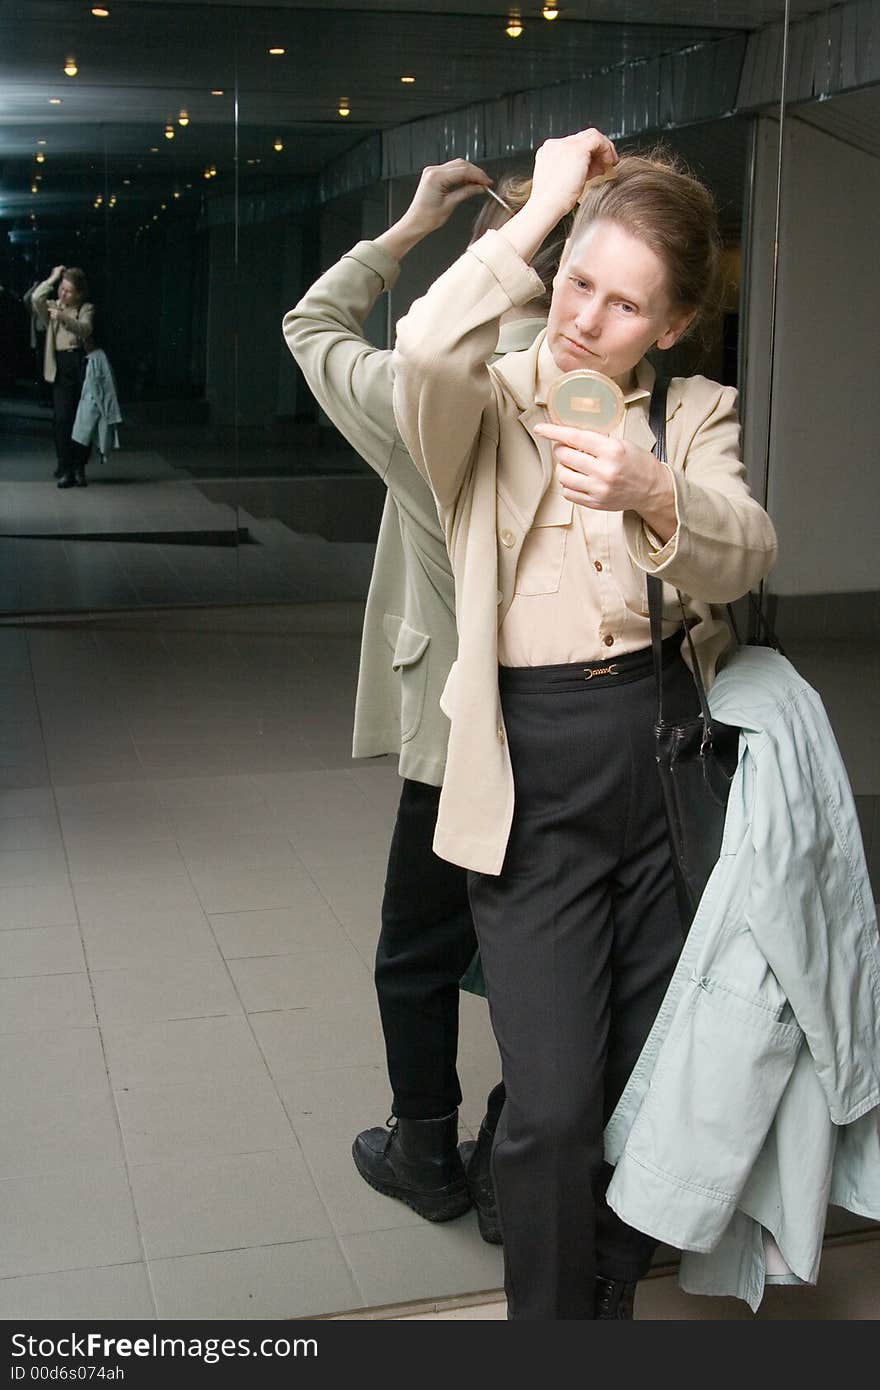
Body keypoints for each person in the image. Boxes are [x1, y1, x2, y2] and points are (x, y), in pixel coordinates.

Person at [391, 127, 778, 1319]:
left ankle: (605, 1292)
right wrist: (542, 210)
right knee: (550, 1104)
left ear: (667, 326)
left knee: (644, 1078)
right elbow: (418, 350)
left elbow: (746, 547)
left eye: (624, 306)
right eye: (577, 283)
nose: (583, 318)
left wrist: (649, 485)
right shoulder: (484, 402)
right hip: (529, 768)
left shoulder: (690, 412)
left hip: (664, 760)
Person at [283, 162, 568, 1244]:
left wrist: (410, 223)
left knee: (418, 944)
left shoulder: (418, 396)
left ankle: (423, 1147)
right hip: (581, 725)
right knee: (550, 955)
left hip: (461, 737)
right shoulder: (602, 386)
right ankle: (507, 1157)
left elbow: (311, 324)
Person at [31, 265, 95, 487]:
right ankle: (65, 466)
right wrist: (53, 278)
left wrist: (64, 318)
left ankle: (80, 466)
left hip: (80, 364)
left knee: (83, 418)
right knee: (62, 418)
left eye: (68, 291)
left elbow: (85, 329)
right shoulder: (52, 306)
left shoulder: (85, 308)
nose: (63, 293)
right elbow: (35, 298)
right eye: (62, 288)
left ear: (78, 293)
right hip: (61, 365)